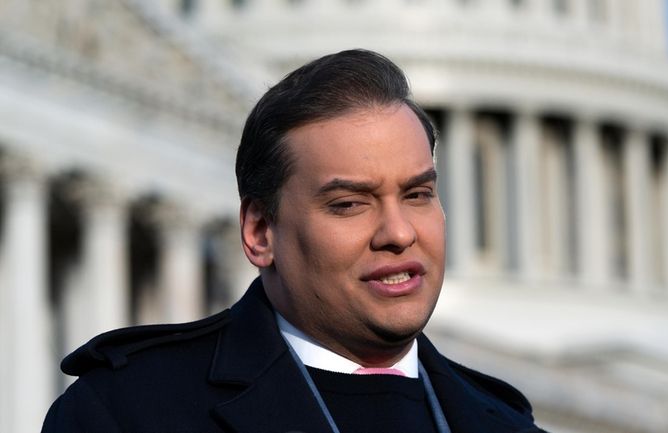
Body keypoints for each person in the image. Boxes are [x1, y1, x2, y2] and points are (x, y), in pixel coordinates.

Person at [42, 49, 547, 433]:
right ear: (260, 233)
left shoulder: (505, 423)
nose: (398, 233)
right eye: (350, 204)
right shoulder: (127, 412)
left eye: (417, 194)